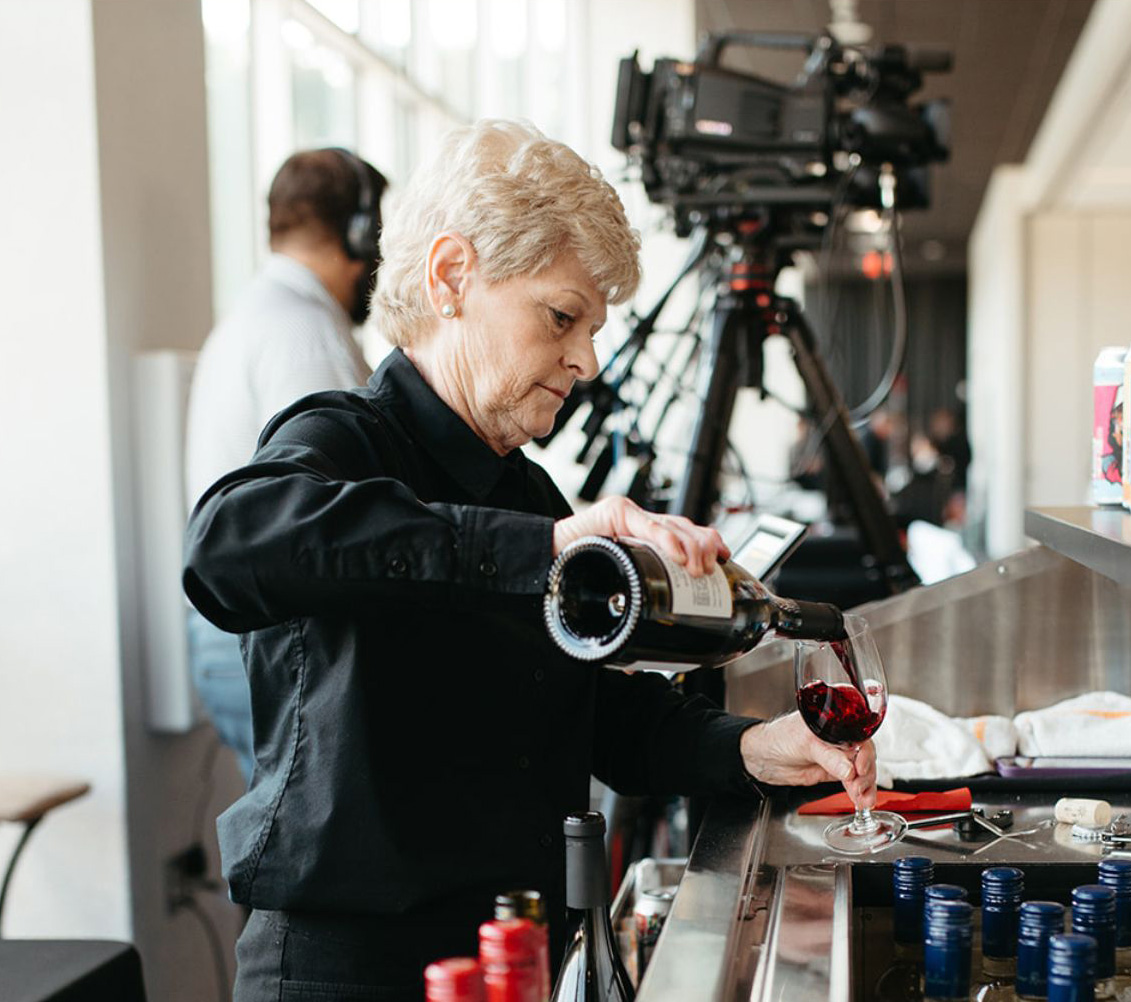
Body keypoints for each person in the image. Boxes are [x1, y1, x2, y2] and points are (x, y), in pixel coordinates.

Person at [183, 120, 878, 1001]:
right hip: (350, 968)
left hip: (512, 957)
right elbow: (227, 544)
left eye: (593, 328)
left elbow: (598, 716)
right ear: (450, 279)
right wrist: (548, 547)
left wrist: (762, 750)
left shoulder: (530, 494)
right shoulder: (341, 439)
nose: (585, 360)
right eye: (561, 317)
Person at [184, 148, 388, 781]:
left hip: (230, 639)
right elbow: (340, 508)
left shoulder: (254, 315)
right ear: (359, 231)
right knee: (300, 860)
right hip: (262, 643)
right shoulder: (303, 333)